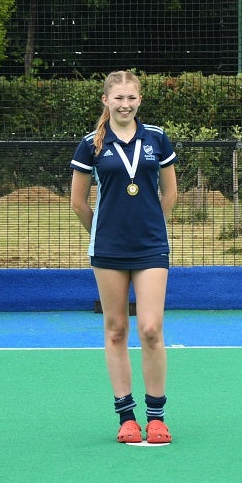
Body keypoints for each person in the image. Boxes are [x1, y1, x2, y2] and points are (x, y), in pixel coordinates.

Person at [70, 71, 178, 445]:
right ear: (106, 101)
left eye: (131, 98)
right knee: (116, 330)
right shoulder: (90, 145)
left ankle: (157, 416)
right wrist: (103, 234)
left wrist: (150, 227)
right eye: (118, 98)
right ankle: (126, 416)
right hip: (108, 251)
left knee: (150, 329)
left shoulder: (158, 139)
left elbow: (170, 194)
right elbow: (78, 203)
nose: (125, 104)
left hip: (150, 247)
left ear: (139, 100)